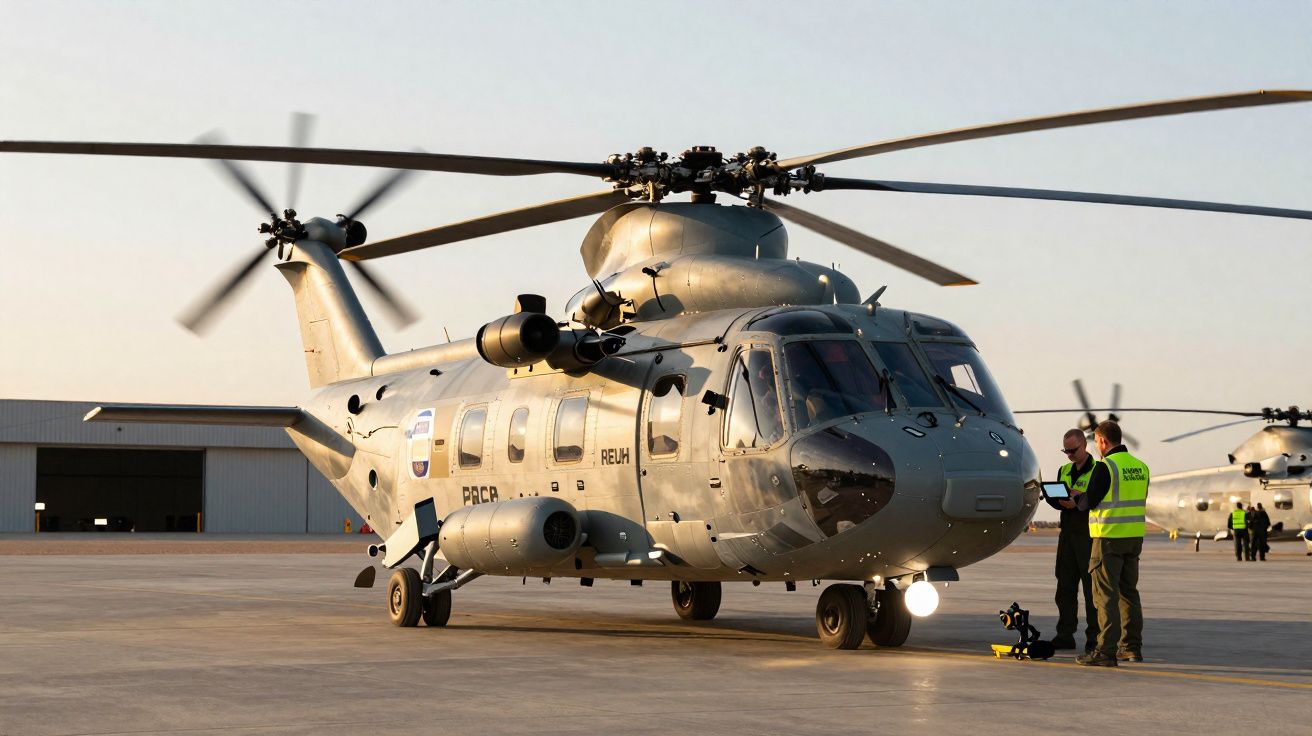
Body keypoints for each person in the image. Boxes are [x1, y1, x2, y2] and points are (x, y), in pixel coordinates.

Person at [1076, 421, 1149, 667]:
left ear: (1103, 441)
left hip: (1108, 538)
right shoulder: (1141, 467)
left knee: (1105, 596)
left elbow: (1089, 503)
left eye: (1095, 442)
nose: (1096, 447)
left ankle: (1105, 651)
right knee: (1129, 593)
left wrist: (1078, 499)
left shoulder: (1105, 467)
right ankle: (1131, 648)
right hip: (1134, 538)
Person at [1045, 429, 1099, 653]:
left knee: (1091, 590)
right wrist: (1056, 500)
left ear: (1084, 445)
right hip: (1067, 535)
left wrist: (1078, 502)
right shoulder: (1064, 470)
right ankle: (1065, 633)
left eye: (1073, 450)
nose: (1069, 455)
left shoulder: (1099, 470)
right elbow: (1060, 499)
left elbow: (1099, 500)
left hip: (1088, 535)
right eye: (1065, 451)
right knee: (1064, 587)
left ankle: (1094, 637)